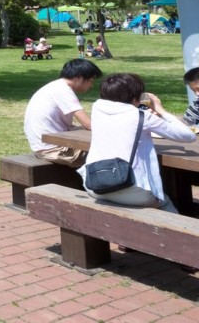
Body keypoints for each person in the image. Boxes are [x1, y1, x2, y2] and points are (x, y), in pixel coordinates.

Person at [81, 72, 196, 212]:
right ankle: (180, 232)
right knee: (165, 203)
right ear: (136, 97)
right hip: (132, 190)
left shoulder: (97, 109)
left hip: (95, 185)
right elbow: (188, 136)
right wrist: (160, 109)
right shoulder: (142, 117)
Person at [24, 58, 103, 168]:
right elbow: (88, 124)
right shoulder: (63, 90)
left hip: (44, 145)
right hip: (52, 150)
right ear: (79, 77)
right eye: (91, 80)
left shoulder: (55, 86)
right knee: (107, 155)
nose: (91, 86)